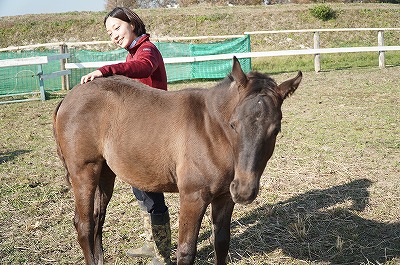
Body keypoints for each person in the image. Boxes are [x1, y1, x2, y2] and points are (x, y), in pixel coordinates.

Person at [80, 7, 172, 265]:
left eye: (117, 28)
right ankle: (150, 242)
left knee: (152, 194)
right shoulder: (134, 51)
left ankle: (163, 252)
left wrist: (106, 71)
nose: (114, 36)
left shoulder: (147, 50)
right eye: (109, 33)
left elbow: (143, 68)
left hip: (153, 130)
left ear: (132, 24)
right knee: (140, 190)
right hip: (138, 131)